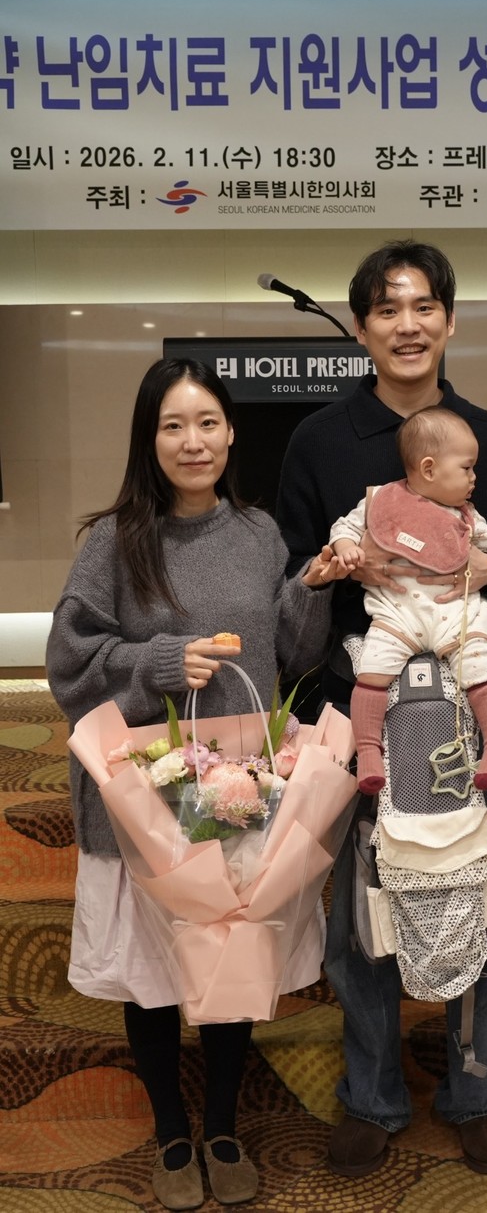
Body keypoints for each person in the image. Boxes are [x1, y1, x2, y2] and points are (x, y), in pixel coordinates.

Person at [276, 240, 487, 1177]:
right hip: (365, 712)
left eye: (424, 305)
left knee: (480, 901)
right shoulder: (317, 442)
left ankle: (477, 1090)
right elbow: (296, 578)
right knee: (365, 915)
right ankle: (373, 1095)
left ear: (450, 319)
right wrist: (341, 568)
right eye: (387, 309)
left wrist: (483, 571)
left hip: (471, 712)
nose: (407, 324)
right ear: (361, 328)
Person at [46, 358, 336, 1211]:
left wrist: (312, 588)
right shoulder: (113, 541)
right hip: (143, 797)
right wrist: (165, 662)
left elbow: (292, 651)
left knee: (228, 956)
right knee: (151, 975)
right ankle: (172, 1131)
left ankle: (221, 1126)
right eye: (173, 425)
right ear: (150, 439)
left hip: (235, 790)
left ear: (231, 432)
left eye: (207, 422)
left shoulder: (257, 533)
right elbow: (69, 662)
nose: (192, 441)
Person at [326, 405, 487, 794]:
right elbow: (343, 526)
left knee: (480, 672)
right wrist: (346, 547)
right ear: (429, 468)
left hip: (455, 614)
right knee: (371, 673)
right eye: (467, 468)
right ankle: (368, 753)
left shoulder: (466, 517)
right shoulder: (381, 500)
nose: (474, 477)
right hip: (398, 614)